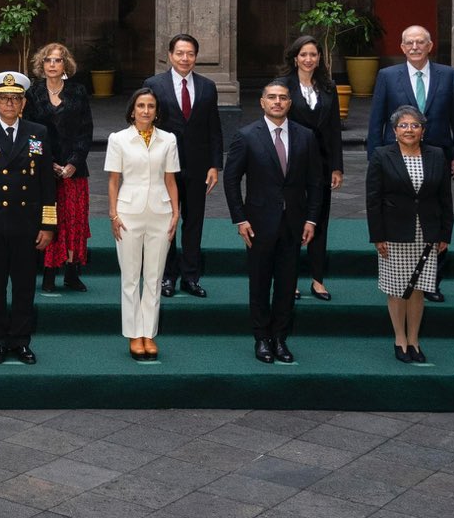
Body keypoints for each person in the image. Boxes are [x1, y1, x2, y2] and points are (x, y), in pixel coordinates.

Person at [366, 24, 454, 302]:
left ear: (430, 46)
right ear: (401, 47)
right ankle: (399, 276)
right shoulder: (388, 76)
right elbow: (376, 118)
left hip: (437, 156)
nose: (414, 47)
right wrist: (374, 155)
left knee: (435, 212)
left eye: (420, 42)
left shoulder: (448, 75)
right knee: (400, 211)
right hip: (395, 156)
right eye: (409, 43)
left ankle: (432, 280)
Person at [222, 80, 321, 364]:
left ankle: (280, 337)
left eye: (283, 98)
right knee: (260, 282)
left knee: (288, 284)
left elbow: (315, 182)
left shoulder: (306, 136)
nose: (277, 102)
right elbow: (231, 180)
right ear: (262, 102)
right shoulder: (246, 135)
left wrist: (311, 219)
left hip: (294, 223)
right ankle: (261, 338)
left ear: (290, 103)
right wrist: (240, 219)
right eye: (272, 97)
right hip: (258, 223)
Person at [0, 71, 58, 365]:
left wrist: (48, 224)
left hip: (27, 225)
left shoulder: (38, 133)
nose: (9, 104)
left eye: (15, 99)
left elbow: (46, 183)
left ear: (23, 103)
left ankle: (20, 340)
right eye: (4, 98)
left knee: (25, 286)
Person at [366, 106, 452, 364]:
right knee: (397, 288)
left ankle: (414, 339)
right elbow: (373, 199)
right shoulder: (382, 155)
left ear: (423, 131)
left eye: (415, 125)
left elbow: (445, 198)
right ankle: (399, 339)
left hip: (426, 232)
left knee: (418, 289)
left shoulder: (437, 155)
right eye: (403, 125)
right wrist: (377, 236)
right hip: (393, 232)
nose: (409, 130)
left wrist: (445, 233)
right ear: (394, 131)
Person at [105, 87, 179, 361]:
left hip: (160, 213)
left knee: (154, 277)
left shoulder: (168, 140)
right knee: (130, 277)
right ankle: (134, 334)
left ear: (157, 111)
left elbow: (170, 180)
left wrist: (175, 214)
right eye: (141, 106)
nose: (146, 111)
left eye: (150, 106)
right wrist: (113, 214)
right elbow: (113, 180)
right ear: (132, 110)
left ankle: (148, 333)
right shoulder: (118, 139)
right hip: (128, 213)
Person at [148, 34, 222, 298]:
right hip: (163, 167)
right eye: (180, 53)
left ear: (196, 57)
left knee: (194, 222)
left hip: (199, 166)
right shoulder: (154, 84)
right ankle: (167, 276)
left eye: (190, 54)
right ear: (170, 55)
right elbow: (146, 124)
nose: (185, 58)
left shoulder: (207, 87)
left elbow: (214, 127)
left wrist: (215, 165)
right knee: (166, 222)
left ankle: (191, 277)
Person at [284, 36, 345, 302]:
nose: (309, 59)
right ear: (295, 57)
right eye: (303, 54)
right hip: (291, 163)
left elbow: (334, 130)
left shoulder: (329, 87)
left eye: (313, 55)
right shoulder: (282, 86)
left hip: (321, 165)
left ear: (319, 58)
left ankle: (318, 280)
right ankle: (290, 279)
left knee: (319, 220)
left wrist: (337, 167)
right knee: (291, 221)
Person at [32, 43, 93, 295]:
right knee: (49, 219)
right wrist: (49, 163)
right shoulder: (32, 94)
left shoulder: (78, 92)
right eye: (48, 60)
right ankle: (48, 272)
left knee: (74, 221)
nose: (53, 64)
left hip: (74, 171)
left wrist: (72, 163)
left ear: (65, 64)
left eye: (58, 60)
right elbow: (31, 137)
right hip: (45, 170)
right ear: (41, 64)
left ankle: (71, 272)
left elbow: (86, 131)